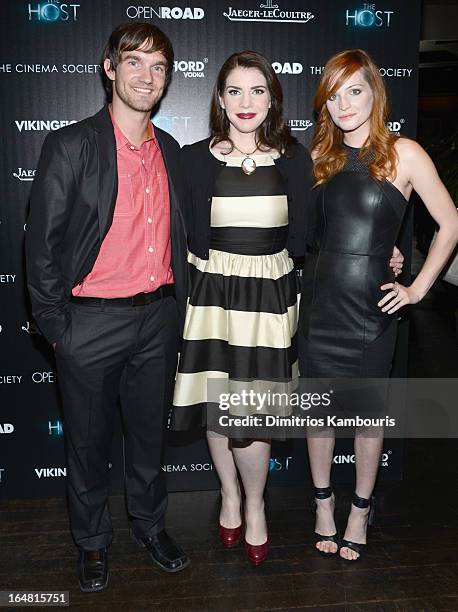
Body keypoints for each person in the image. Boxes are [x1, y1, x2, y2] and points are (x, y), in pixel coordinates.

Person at [25, 22, 189, 592]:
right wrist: (57, 328)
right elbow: (40, 246)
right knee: (88, 444)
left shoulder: (169, 150)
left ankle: (149, 525)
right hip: (89, 321)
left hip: (157, 319)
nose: (147, 76)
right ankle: (93, 542)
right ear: (109, 68)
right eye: (135, 62)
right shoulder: (72, 144)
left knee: (149, 437)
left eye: (159, 66)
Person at [299, 49, 458, 561]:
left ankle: (360, 510)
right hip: (320, 306)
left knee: (368, 418)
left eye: (355, 90)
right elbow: (323, 237)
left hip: (371, 312)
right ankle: (323, 504)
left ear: (374, 93)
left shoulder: (403, 153)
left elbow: (450, 223)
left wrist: (415, 288)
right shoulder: (320, 157)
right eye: (335, 93)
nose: (344, 103)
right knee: (319, 413)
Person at [169, 50, 313, 565]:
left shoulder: (295, 159)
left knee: (252, 411)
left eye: (257, 90)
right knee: (218, 401)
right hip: (211, 296)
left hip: (268, 298)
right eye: (234, 90)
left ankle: (255, 505)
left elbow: (309, 235)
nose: (246, 102)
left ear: (273, 98)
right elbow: (177, 231)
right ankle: (228, 495)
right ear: (220, 99)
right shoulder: (191, 157)